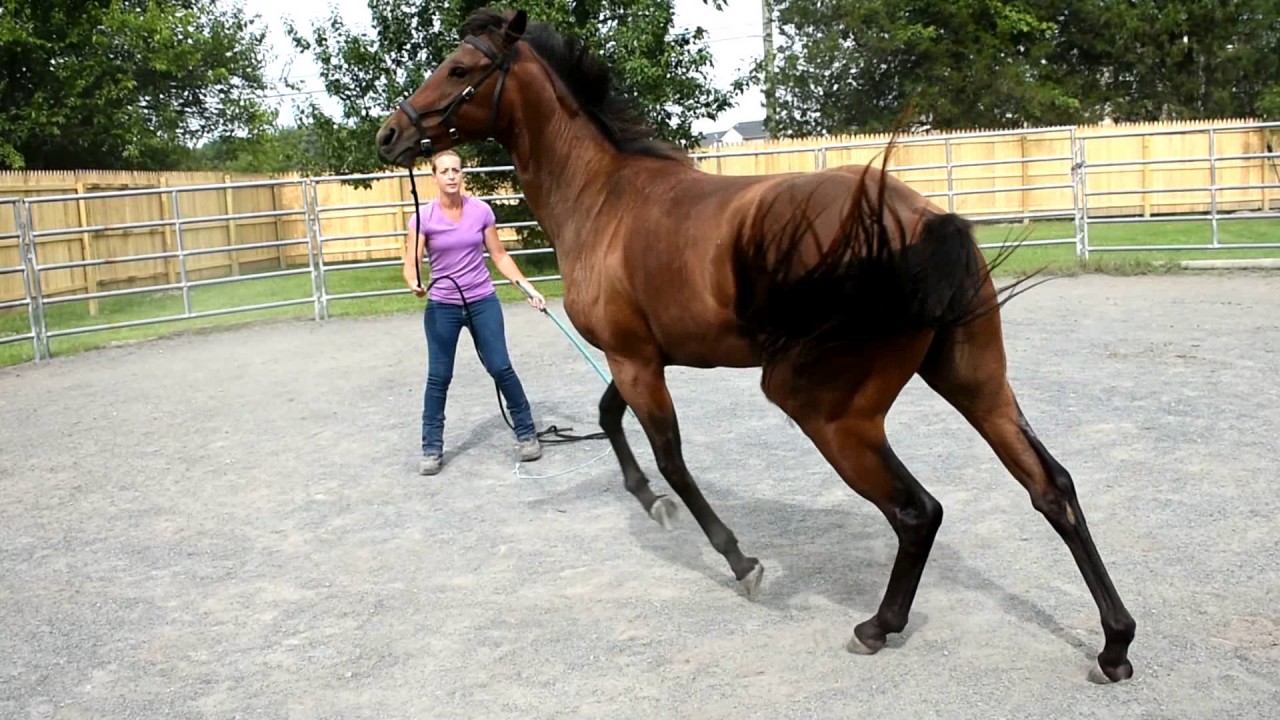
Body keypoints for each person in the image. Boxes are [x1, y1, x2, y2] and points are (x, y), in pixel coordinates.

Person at [402, 149, 548, 476]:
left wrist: (528, 289)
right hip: (442, 305)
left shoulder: (480, 211)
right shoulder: (422, 217)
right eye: (445, 171)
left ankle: (526, 432)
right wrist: (414, 281)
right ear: (435, 177)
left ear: (462, 175)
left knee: (500, 366)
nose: (451, 176)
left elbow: (499, 255)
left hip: (482, 301)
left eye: (456, 170)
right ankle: (431, 447)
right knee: (439, 376)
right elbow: (411, 260)